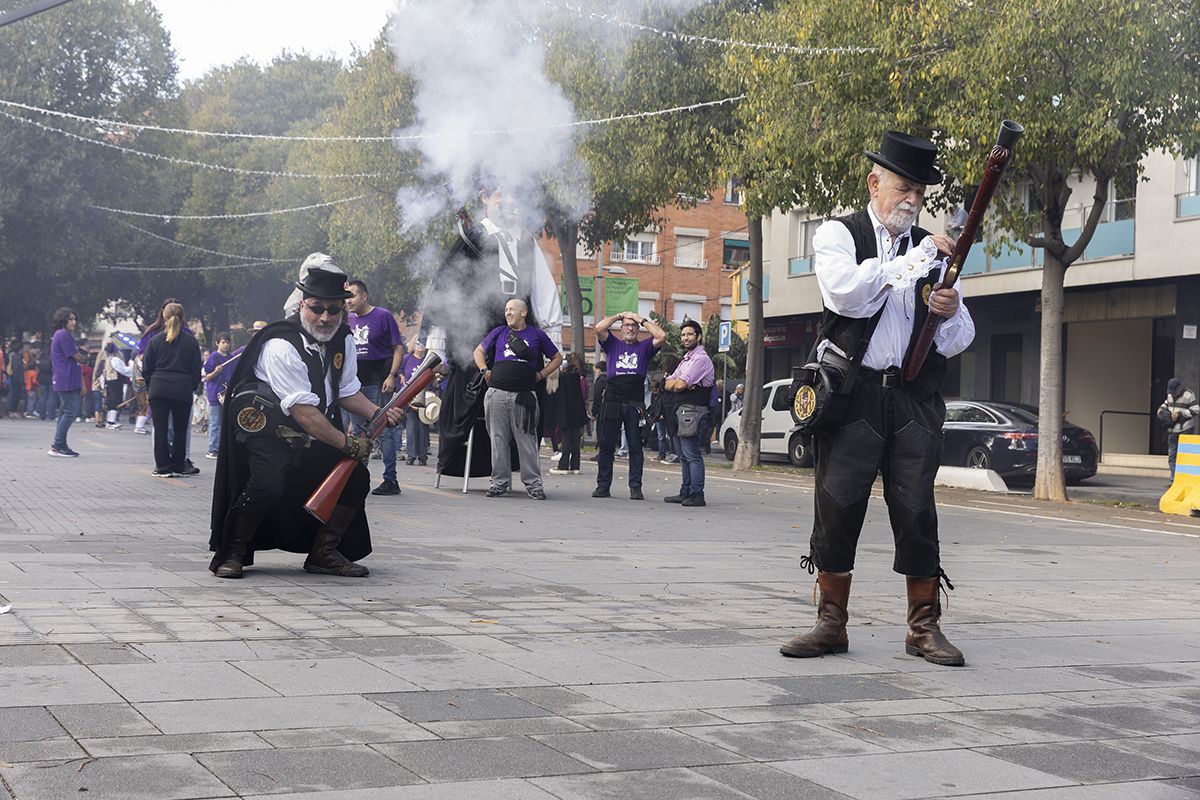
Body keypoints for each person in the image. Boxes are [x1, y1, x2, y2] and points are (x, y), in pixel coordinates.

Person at [779, 131, 976, 667]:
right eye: (903, 188)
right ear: (874, 183)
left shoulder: (933, 251)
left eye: (919, 192)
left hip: (913, 397)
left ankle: (923, 627)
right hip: (853, 393)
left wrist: (950, 309)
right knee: (838, 505)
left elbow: (959, 338)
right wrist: (918, 260)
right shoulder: (838, 234)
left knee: (916, 510)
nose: (912, 200)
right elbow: (848, 294)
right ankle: (830, 623)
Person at [209, 266, 403, 579]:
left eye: (333, 309)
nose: (325, 318)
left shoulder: (344, 340)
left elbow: (346, 391)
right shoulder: (281, 344)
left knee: (356, 478)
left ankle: (323, 553)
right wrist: (348, 444)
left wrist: (378, 413)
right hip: (273, 434)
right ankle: (233, 551)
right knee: (266, 484)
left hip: (315, 432)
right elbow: (303, 412)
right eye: (317, 308)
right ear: (302, 305)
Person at [422, 186, 563, 483]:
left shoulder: (526, 241)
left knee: (524, 409)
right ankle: (465, 464)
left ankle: (519, 473)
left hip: (522, 342)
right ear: (484, 197)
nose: (509, 200)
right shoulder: (470, 238)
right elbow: (445, 289)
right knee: (469, 404)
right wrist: (437, 346)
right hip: (475, 337)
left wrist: (553, 346)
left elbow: (543, 290)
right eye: (501, 193)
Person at [473, 298, 562, 500]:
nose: (507, 313)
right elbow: (478, 351)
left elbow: (557, 358)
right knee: (498, 440)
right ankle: (499, 483)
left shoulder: (537, 334)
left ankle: (534, 485)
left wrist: (541, 375)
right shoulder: (499, 333)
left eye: (511, 309)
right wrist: (484, 370)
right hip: (496, 394)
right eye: (506, 310)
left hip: (524, 396)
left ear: (524, 313)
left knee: (527, 441)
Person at [591, 312, 667, 500]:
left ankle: (635, 487)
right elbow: (599, 328)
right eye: (627, 325)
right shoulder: (612, 343)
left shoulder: (644, 347)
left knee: (635, 446)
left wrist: (641, 320)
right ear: (621, 328)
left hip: (635, 403)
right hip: (612, 401)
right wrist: (619, 316)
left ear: (638, 329)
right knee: (607, 445)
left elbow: (661, 336)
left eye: (634, 326)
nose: (630, 328)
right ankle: (603, 486)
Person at [347, 279, 406, 496]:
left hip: (379, 382)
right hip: (354, 385)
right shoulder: (346, 319)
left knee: (384, 431)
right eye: (347, 297)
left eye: (352, 295)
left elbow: (397, 348)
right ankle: (358, 478)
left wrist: (392, 375)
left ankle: (391, 480)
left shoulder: (383, 316)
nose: (348, 301)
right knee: (359, 433)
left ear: (364, 296)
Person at [142, 303, 202, 477]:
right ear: (183, 318)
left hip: (158, 388)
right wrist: (191, 386)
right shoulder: (191, 341)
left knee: (160, 429)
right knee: (180, 430)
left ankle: (162, 467)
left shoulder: (155, 341)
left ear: (164, 316)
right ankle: (178, 465)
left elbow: (146, 368)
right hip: (182, 389)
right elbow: (196, 370)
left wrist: (149, 387)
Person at [663, 320, 714, 506]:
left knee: (692, 454)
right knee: (683, 455)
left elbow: (679, 385)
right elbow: (669, 383)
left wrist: (679, 384)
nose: (686, 338)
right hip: (681, 410)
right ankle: (685, 491)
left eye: (690, 334)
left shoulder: (701, 359)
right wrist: (677, 384)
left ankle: (697, 494)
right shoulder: (686, 359)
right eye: (683, 335)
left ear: (698, 337)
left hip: (694, 411)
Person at [48, 308, 88, 457]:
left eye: (74, 319)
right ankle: (58, 445)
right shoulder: (63, 335)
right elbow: (76, 356)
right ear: (63, 320)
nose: (73, 322)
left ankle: (60, 444)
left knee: (65, 412)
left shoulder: (61, 335)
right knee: (71, 412)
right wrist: (85, 358)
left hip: (66, 378)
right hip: (66, 378)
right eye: (70, 319)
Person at [549, 352, 588, 475]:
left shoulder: (562, 377)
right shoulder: (576, 376)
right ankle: (575, 465)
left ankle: (563, 465)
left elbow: (557, 394)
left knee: (566, 438)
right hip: (576, 411)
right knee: (575, 439)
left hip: (564, 411)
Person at [202, 333, 235, 459]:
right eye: (223, 342)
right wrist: (216, 372)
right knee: (215, 423)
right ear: (217, 343)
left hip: (228, 394)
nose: (225, 345)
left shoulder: (231, 358)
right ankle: (212, 449)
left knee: (224, 423)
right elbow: (208, 377)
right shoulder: (213, 357)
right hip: (215, 394)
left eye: (227, 342)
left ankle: (222, 448)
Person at [399, 341, 432, 465]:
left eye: (423, 344)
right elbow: (399, 370)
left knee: (423, 428)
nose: (421, 346)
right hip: (410, 395)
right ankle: (411, 456)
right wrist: (402, 377)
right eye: (418, 344)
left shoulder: (428, 359)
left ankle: (423, 457)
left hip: (425, 396)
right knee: (411, 428)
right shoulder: (407, 358)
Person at [1159, 378, 1199, 479]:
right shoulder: (1169, 395)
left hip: (1186, 429)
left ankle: (1185, 478)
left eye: (1174, 391)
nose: (1172, 394)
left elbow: (1196, 410)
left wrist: (1180, 414)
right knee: (1172, 456)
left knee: (1186, 456)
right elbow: (1164, 406)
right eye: (1171, 392)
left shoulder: (1189, 394)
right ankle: (1174, 478)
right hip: (1172, 430)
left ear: (1179, 388)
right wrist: (1162, 412)